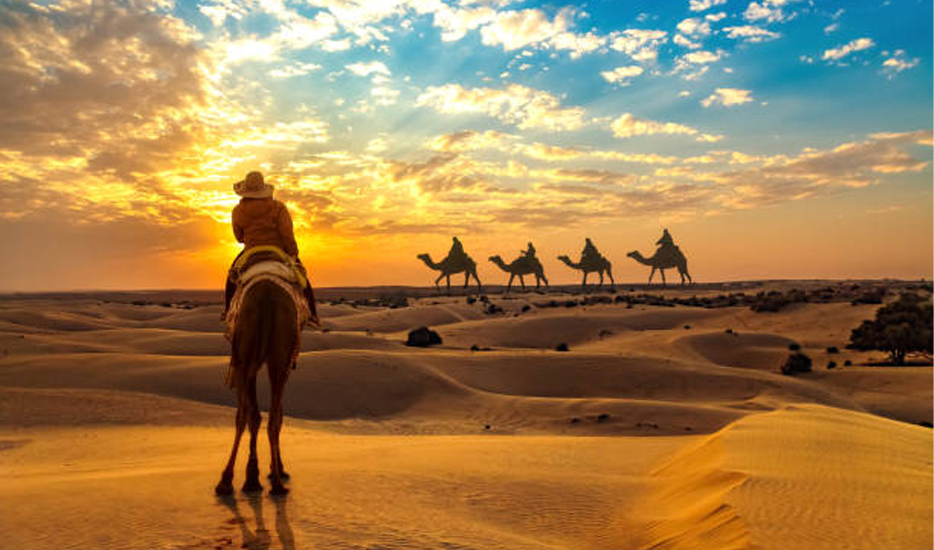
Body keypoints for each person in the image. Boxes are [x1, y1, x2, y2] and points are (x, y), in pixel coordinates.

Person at [222, 171, 316, 319]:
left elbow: (239, 238)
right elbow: (287, 235)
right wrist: (293, 253)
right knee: (303, 279)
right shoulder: (278, 207)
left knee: (231, 280)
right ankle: (312, 314)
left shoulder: (237, 211)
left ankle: (228, 312)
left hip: (250, 251)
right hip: (278, 250)